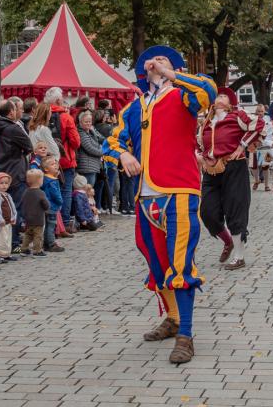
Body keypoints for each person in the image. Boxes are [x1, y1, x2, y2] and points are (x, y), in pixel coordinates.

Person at [103, 45, 217, 365]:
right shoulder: (133, 108)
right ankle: (174, 318)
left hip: (179, 192)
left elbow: (209, 90)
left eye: (165, 60)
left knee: (180, 264)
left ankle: (187, 336)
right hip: (145, 196)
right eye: (153, 62)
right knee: (156, 264)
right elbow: (110, 141)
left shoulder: (183, 96)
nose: (157, 62)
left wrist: (172, 74)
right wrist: (123, 154)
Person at [197, 87, 263, 270]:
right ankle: (228, 241)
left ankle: (239, 256)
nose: (220, 98)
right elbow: (198, 143)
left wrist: (241, 147)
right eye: (218, 95)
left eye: (224, 96)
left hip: (234, 167)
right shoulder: (206, 122)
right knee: (207, 212)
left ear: (230, 103)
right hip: (211, 170)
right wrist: (200, 155)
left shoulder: (237, 116)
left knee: (235, 209)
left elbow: (258, 124)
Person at [0, 99, 33, 215]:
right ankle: (14, 233)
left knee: (4, 208)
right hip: (16, 172)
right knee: (15, 208)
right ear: (11, 112)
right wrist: (22, 153)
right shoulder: (13, 128)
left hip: (1, 169)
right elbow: (29, 146)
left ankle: (8, 233)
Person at [46, 88, 81, 201]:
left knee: (49, 190)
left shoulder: (42, 115)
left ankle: (53, 218)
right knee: (66, 191)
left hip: (47, 160)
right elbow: (76, 142)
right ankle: (65, 219)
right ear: (58, 100)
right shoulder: (66, 117)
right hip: (66, 159)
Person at [40, 155, 67, 250]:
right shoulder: (52, 181)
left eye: (55, 163)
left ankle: (46, 244)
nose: (55, 165)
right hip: (52, 207)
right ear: (46, 169)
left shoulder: (45, 179)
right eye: (52, 164)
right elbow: (56, 194)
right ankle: (51, 244)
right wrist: (60, 201)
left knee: (47, 225)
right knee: (51, 225)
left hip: (47, 206)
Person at [19, 169, 48, 256]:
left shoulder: (26, 191)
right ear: (39, 181)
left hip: (28, 218)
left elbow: (22, 203)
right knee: (38, 235)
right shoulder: (41, 193)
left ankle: (24, 249)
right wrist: (47, 208)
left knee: (28, 234)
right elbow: (45, 204)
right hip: (38, 218)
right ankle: (37, 250)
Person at [76, 109, 104, 189]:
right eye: (86, 122)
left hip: (92, 166)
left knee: (91, 191)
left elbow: (97, 144)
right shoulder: (81, 133)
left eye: (90, 121)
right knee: (87, 190)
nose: (88, 123)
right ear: (80, 122)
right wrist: (103, 152)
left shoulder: (90, 132)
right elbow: (90, 148)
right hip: (86, 167)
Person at [0, 171, 16, 259]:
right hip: (1, 222)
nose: (4, 185)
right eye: (1, 183)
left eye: (6, 183)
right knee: (1, 238)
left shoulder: (8, 195)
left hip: (8, 222)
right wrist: (0, 219)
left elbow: (12, 207)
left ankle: (7, 253)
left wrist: (14, 217)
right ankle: (1, 254)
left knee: (8, 238)